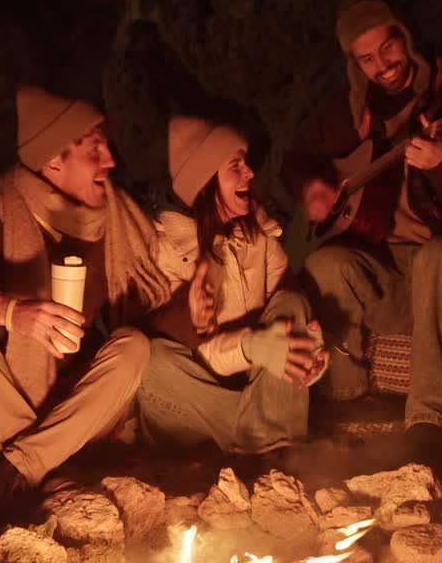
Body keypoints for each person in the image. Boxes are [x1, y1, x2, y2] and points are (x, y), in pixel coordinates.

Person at [0, 86, 172, 532]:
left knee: (134, 345)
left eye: (107, 146)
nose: (111, 161)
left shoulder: (116, 223)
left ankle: (14, 473)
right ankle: (37, 471)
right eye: (94, 149)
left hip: (69, 416)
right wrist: (9, 311)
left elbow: (147, 309)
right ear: (53, 160)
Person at [284, 0, 442, 457]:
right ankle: (345, 400)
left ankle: (431, 423)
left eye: (388, 48)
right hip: (388, 274)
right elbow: (296, 158)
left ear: (405, 39)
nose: (383, 65)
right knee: (326, 263)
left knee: (440, 253)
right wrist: (313, 187)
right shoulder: (356, 111)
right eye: (367, 59)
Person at [137, 116, 328, 454]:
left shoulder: (258, 233)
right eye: (235, 166)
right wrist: (251, 346)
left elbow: (287, 308)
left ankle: (266, 445)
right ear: (205, 180)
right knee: (152, 362)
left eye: (247, 164)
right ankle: (269, 439)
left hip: (255, 386)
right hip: (193, 401)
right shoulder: (164, 248)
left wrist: (306, 353)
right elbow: (185, 349)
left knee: (292, 304)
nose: (250, 173)